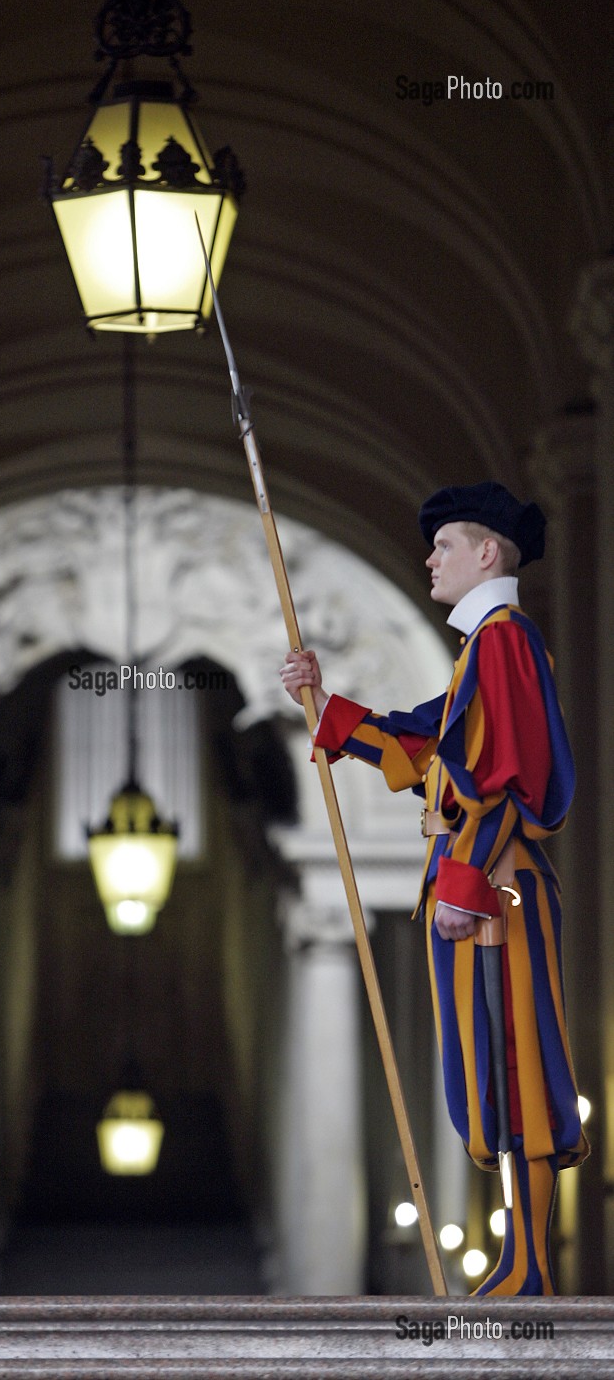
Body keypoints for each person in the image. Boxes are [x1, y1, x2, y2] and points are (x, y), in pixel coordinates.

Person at [280, 482, 587, 1296]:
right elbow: (428, 743)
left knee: (514, 1060)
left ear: (487, 552)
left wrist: (461, 882)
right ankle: (520, 1259)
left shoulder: (503, 641)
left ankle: (527, 1263)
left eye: (443, 545)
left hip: (494, 886)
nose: (429, 558)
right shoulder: (480, 651)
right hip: (480, 884)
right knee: (486, 1066)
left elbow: (505, 773)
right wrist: (324, 703)